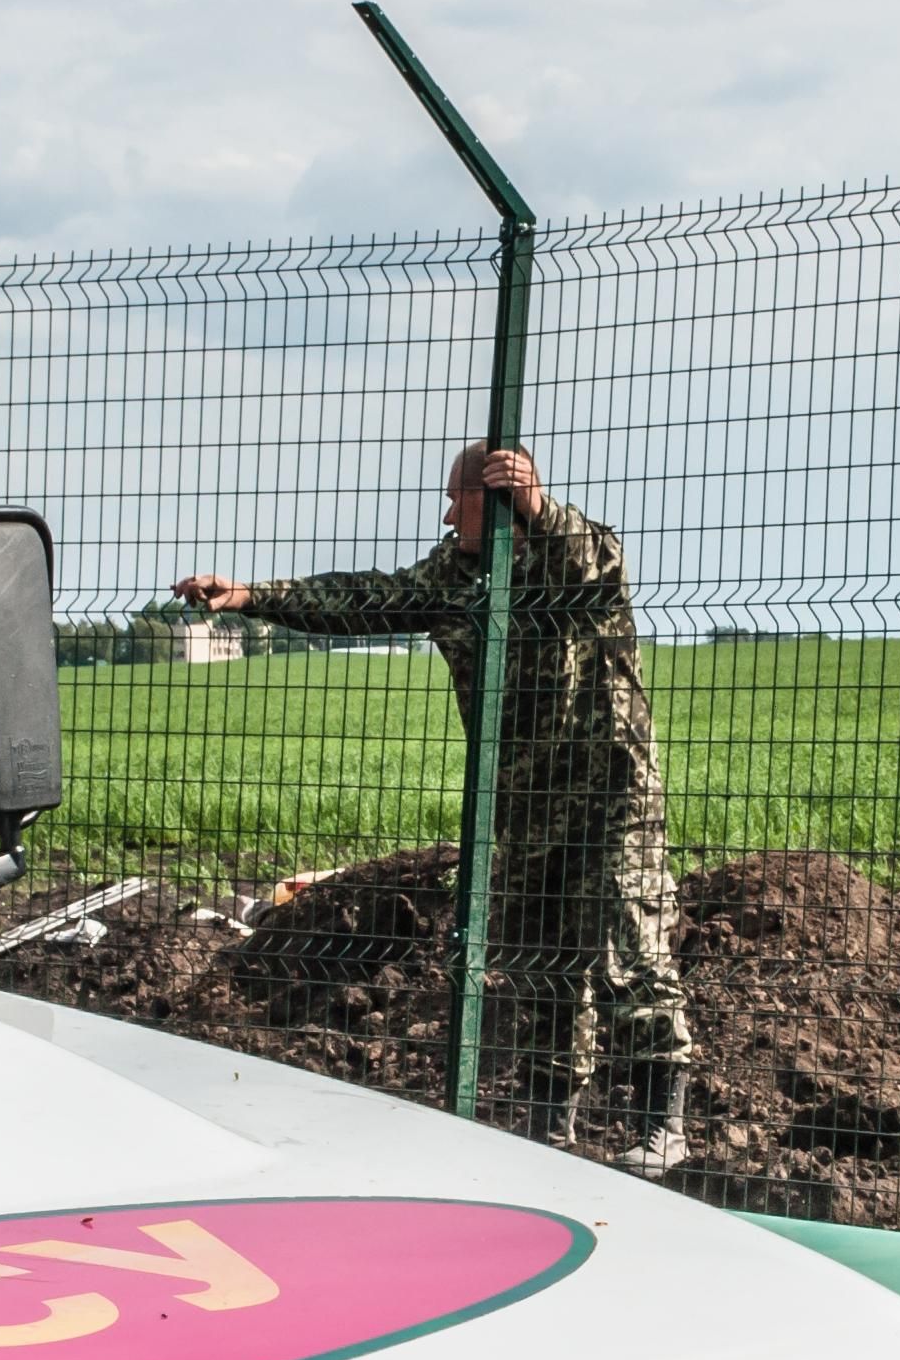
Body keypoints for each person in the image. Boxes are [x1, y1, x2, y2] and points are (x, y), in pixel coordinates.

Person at [178, 441, 698, 1173]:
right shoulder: (454, 577)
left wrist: (542, 508)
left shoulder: (571, 557)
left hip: (609, 798)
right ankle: (553, 1127)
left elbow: (601, 560)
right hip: (520, 802)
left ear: (505, 496)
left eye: (462, 499)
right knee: (540, 963)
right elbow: (360, 598)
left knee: (627, 953)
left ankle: (661, 1123)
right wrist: (252, 597)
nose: (449, 513)